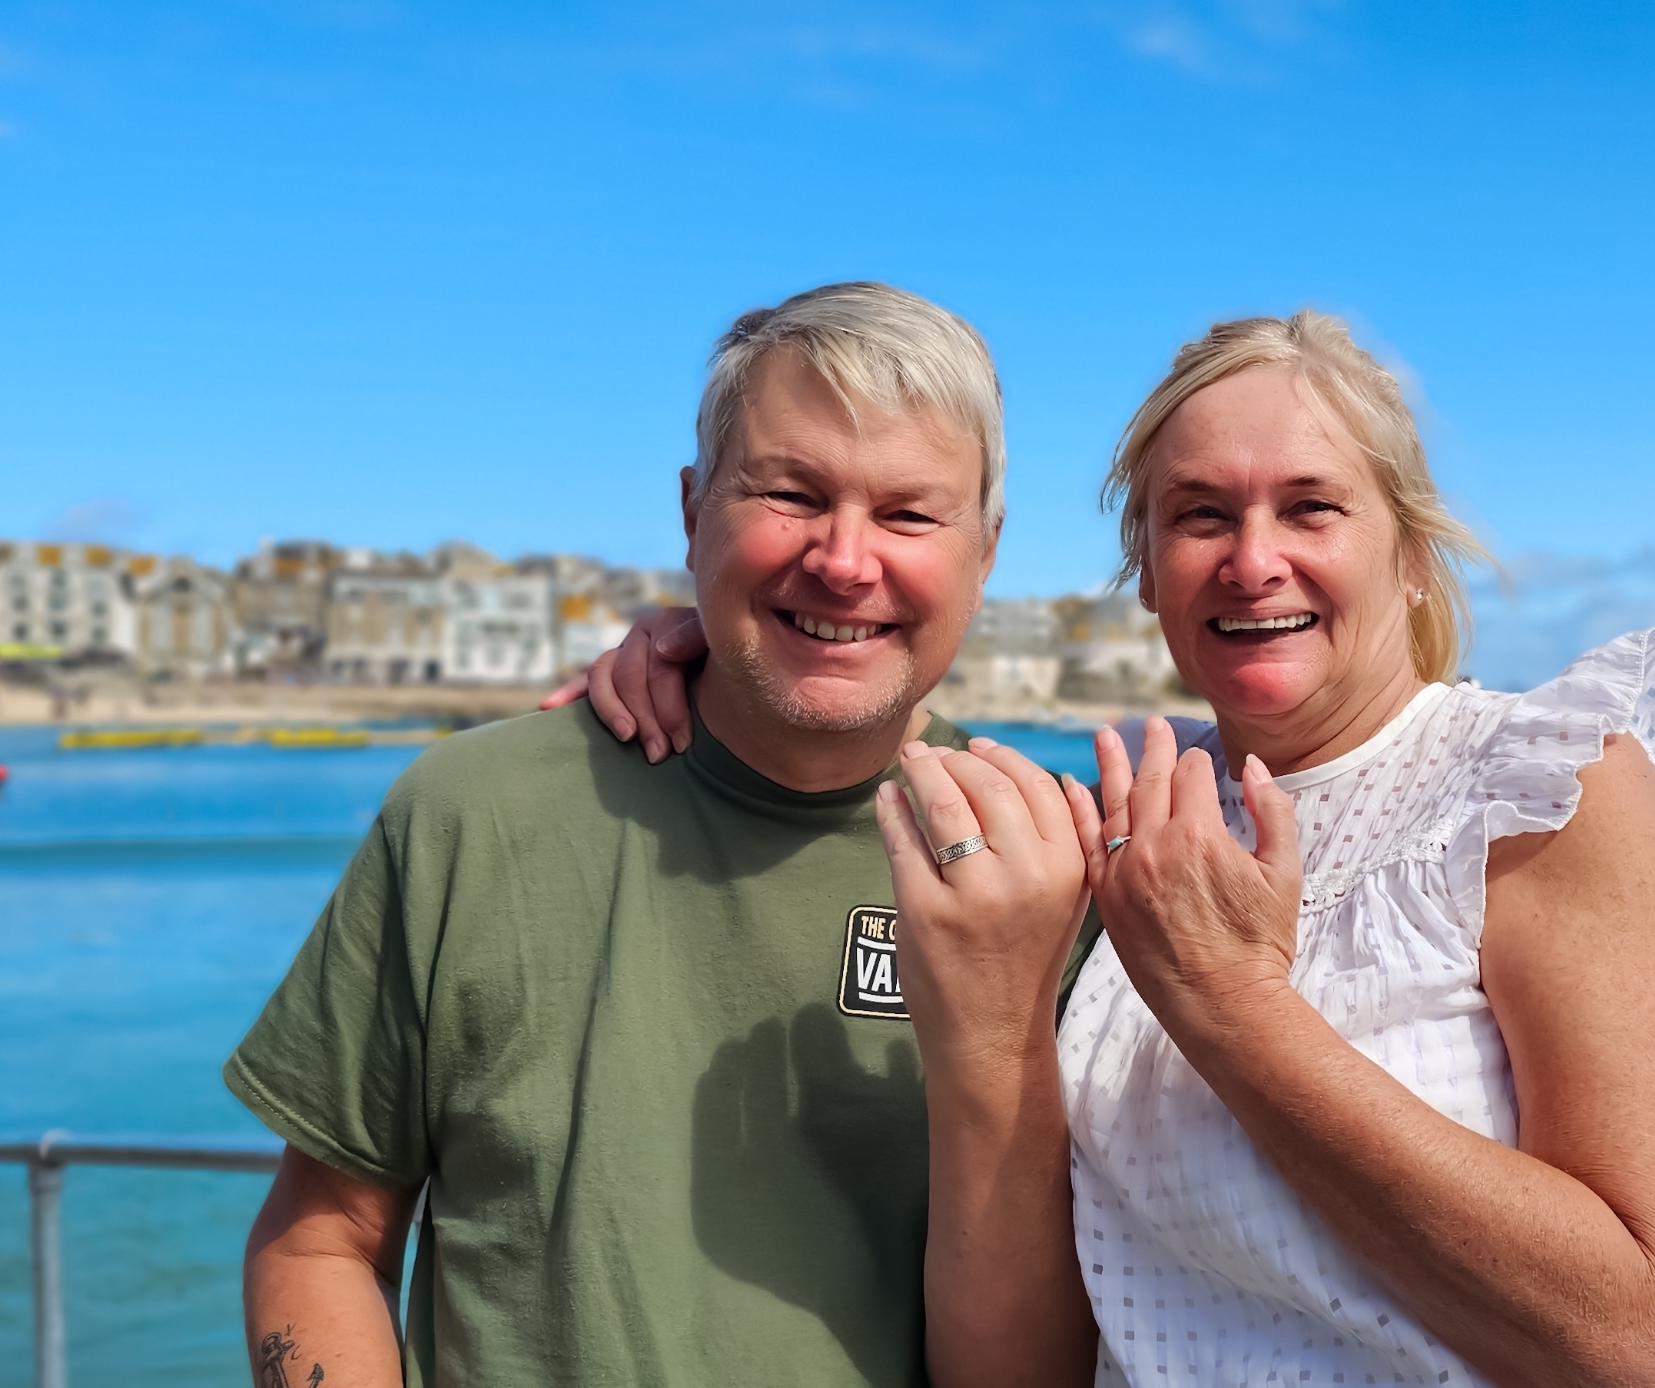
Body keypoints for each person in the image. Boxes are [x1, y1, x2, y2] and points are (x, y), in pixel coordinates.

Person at [575, 311, 1655, 1385]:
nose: (1252, 558)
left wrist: (1233, 1005)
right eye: (1199, 515)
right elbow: (862, 740)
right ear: (1150, 574)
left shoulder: (1542, 787)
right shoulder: (1122, 816)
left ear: (1411, 555)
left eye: (1310, 507)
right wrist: (717, 648)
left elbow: (1646, 1347)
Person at [229, 281, 1092, 1388]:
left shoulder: (1050, 873)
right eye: (789, 492)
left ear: (986, 552)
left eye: (909, 514)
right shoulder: (470, 813)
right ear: (693, 510)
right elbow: (320, 1241)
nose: (842, 558)